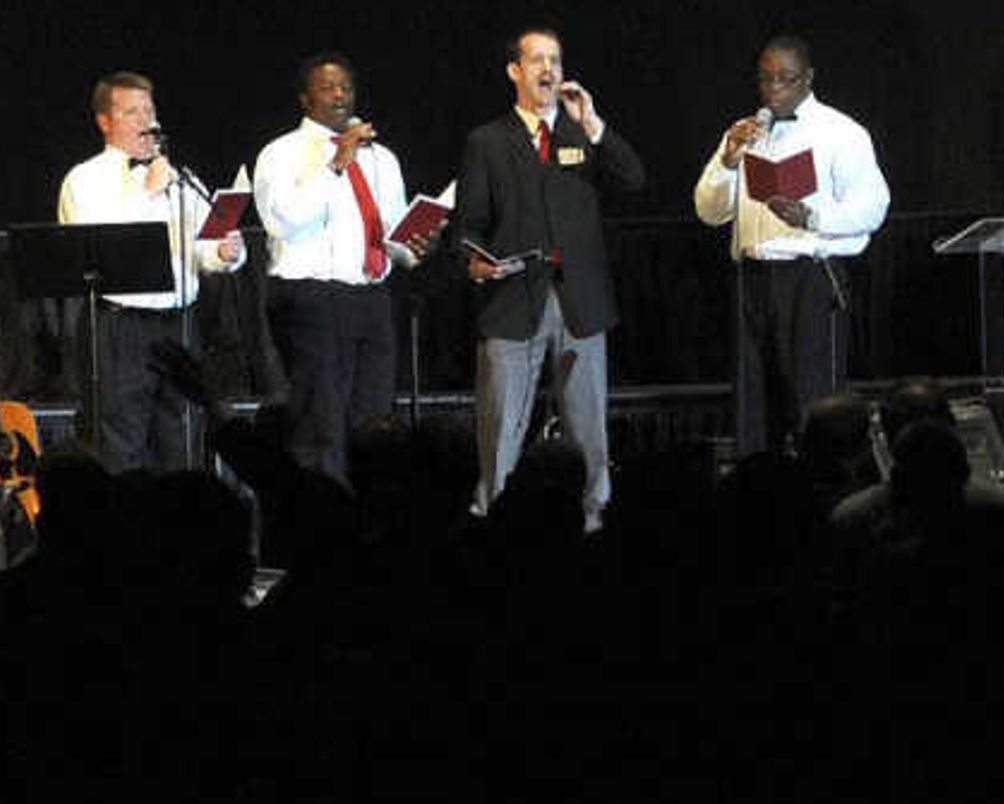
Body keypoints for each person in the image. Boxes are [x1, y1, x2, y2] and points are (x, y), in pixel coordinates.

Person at [451, 28, 650, 524]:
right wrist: (473, 261)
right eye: (537, 60)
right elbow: (469, 223)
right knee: (502, 432)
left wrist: (595, 125)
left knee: (589, 433)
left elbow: (634, 180)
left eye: (555, 61)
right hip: (514, 300)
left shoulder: (581, 132)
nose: (548, 70)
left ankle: (592, 523)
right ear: (515, 71)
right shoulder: (488, 141)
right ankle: (495, 524)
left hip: (581, 303)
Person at [696, 36, 890, 457]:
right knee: (753, 400)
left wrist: (814, 218)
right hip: (753, 278)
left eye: (785, 79)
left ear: (808, 79)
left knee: (813, 399)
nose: (774, 90)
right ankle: (759, 490)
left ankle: (823, 496)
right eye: (766, 80)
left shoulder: (842, 132)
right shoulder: (744, 134)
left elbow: (873, 208)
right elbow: (709, 211)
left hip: (810, 277)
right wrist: (729, 160)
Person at [55, 70, 247, 473]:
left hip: (179, 324)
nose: (145, 121)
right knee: (121, 438)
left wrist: (226, 252)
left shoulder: (180, 177)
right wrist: (146, 193)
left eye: (149, 110)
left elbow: (202, 247)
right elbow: (100, 249)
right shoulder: (84, 179)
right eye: (131, 112)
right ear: (104, 122)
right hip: (122, 327)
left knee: (180, 436)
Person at [253, 52, 421, 483]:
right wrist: (336, 164)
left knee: (373, 421)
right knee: (321, 422)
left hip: (371, 297)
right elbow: (283, 221)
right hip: (313, 298)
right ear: (305, 98)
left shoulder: (382, 157)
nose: (340, 95)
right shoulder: (282, 153)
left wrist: (416, 243)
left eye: (346, 86)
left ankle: (371, 519)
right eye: (328, 87)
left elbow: (393, 232)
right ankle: (321, 521)